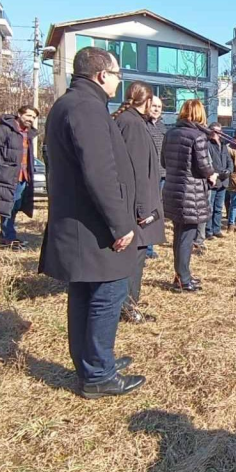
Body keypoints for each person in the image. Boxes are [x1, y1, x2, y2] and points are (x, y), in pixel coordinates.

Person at [38, 46, 144, 399]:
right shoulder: (86, 107)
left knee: (85, 292)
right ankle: (98, 374)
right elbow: (100, 172)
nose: (118, 81)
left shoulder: (71, 103)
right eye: (116, 75)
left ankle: (93, 363)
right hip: (93, 227)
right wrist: (120, 224)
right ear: (102, 74)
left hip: (82, 223)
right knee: (107, 293)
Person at [113, 82, 165, 324]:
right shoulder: (132, 124)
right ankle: (127, 307)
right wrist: (144, 209)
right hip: (137, 207)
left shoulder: (130, 121)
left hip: (135, 204)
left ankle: (129, 304)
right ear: (144, 101)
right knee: (133, 260)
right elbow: (136, 171)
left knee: (135, 258)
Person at [162, 100, 218, 292]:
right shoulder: (198, 136)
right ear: (200, 115)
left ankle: (180, 273)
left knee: (179, 235)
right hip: (190, 193)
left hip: (173, 190)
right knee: (186, 237)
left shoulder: (170, 134)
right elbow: (204, 167)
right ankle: (184, 279)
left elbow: (163, 161)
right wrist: (213, 174)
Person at [0, 105, 38, 248]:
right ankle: (8, 238)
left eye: (34, 117)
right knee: (7, 206)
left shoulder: (28, 133)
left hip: (23, 176)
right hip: (7, 176)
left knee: (15, 206)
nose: (31, 119)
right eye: (28, 115)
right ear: (19, 114)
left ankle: (8, 235)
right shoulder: (3, 130)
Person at [144, 96, 166, 259]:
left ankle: (150, 245)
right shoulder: (141, 125)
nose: (157, 109)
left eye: (159, 106)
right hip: (147, 175)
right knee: (147, 211)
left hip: (163, 174)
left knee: (156, 212)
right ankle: (145, 248)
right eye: (154, 106)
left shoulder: (162, 126)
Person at [205, 123, 232, 240]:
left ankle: (217, 229)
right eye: (216, 131)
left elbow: (229, 161)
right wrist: (216, 174)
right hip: (213, 181)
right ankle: (208, 231)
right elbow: (208, 163)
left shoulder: (224, 145)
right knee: (209, 207)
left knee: (219, 208)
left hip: (223, 181)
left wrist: (228, 171)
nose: (218, 133)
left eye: (220, 131)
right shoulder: (207, 144)